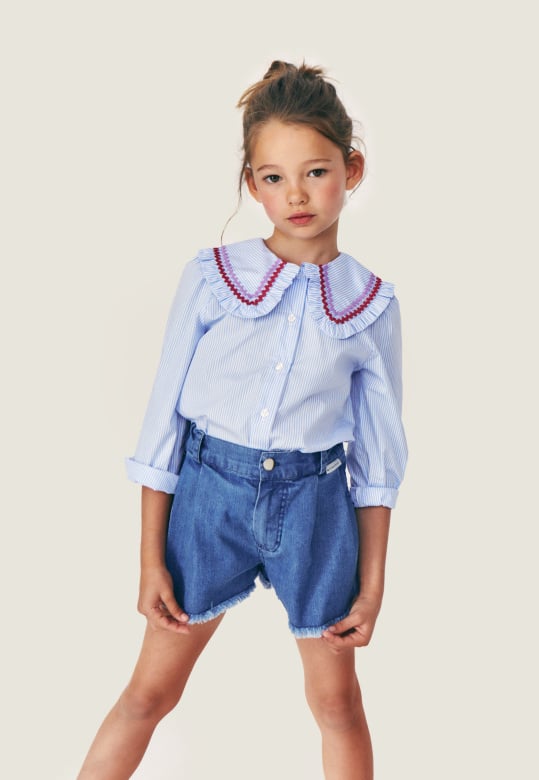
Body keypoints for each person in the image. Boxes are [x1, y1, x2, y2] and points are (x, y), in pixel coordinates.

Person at [77, 60, 407, 780]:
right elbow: (162, 424)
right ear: (252, 184)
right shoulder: (212, 278)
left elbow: (378, 461)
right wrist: (149, 559)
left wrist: (373, 585)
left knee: (337, 704)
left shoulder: (371, 304)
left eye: (316, 172)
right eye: (273, 177)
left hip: (316, 510)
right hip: (208, 499)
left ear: (351, 169)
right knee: (149, 694)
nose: (297, 194)